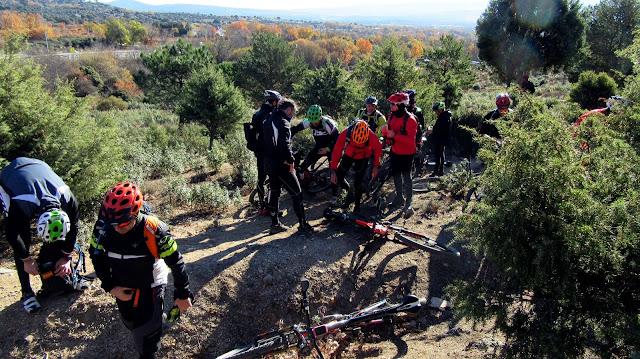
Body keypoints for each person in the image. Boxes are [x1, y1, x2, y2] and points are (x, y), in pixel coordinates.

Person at [89, 182, 193, 359]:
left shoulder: (155, 230)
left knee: (146, 343)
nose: (117, 228)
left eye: (122, 223)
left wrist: (183, 295)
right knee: (130, 323)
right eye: (112, 223)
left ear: (135, 213)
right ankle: (156, 322)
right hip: (122, 283)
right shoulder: (103, 228)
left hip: (151, 283)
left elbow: (177, 263)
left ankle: (153, 330)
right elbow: (95, 255)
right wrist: (110, 286)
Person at [0, 157, 82, 313]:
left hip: (40, 167)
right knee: (23, 237)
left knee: (60, 236)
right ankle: (27, 293)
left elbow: (74, 227)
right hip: (10, 176)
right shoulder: (21, 205)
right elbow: (12, 235)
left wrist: (66, 257)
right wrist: (27, 260)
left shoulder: (69, 199)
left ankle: (71, 276)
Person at [263, 99, 315, 236]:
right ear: (288, 110)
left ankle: (275, 225)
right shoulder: (283, 122)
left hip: (268, 163)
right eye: (293, 112)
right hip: (281, 165)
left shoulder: (269, 119)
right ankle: (303, 225)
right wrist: (290, 161)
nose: (293, 115)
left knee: (274, 192)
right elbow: (284, 145)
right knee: (297, 193)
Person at [330, 120, 383, 212]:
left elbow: (378, 151)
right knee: (338, 176)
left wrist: (376, 166)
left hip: (363, 156)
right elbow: (337, 151)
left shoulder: (371, 136)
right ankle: (340, 194)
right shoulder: (346, 133)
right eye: (356, 141)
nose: (358, 144)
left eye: (360, 142)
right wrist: (333, 170)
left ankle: (357, 205)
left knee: (358, 182)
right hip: (349, 153)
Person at [381, 92, 418, 218]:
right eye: (391, 104)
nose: (391, 106)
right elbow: (389, 128)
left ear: (402, 106)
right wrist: (385, 131)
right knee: (396, 175)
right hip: (395, 151)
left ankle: (408, 202)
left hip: (407, 153)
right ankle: (399, 197)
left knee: (407, 177)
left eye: (393, 104)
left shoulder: (411, 120)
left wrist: (394, 135)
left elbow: (410, 139)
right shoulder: (392, 116)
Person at [248, 89, 282, 216]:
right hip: (268, 151)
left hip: (259, 151)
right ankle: (270, 207)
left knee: (261, 178)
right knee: (274, 178)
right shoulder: (269, 115)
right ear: (273, 102)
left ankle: (263, 205)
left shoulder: (258, 114)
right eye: (278, 101)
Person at [291, 104, 339, 181]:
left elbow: (338, 140)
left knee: (334, 174)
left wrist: (328, 149)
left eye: (316, 121)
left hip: (332, 148)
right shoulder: (308, 122)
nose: (314, 124)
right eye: (312, 121)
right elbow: (295, 129)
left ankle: (343, 187)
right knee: (302, 167)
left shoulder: (327, 124)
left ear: (320, 117)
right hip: (319, 147)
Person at [429, 102, 453, 177]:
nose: (435, 112)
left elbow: (442, 129)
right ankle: (440, 171)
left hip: (441, 139)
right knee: (440, 155)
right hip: (441, 139)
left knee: (438, 155)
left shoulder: (445, 117)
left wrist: (433, 130)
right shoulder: (444, 116)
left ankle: (437, 171)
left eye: (436, 111)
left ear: (440, 110)